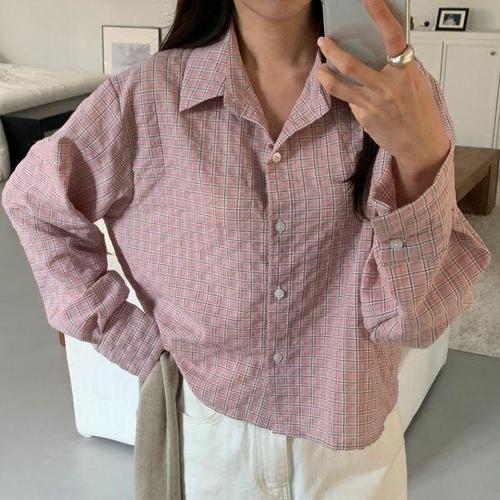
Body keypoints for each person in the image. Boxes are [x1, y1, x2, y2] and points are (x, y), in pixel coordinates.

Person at [1, 0, 492, 499]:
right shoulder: (144, 97)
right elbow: (36, 202)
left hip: (353, 449)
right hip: (210, 440)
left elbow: (415, 320)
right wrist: (131, 339)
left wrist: (422, 158)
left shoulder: (399, 94)